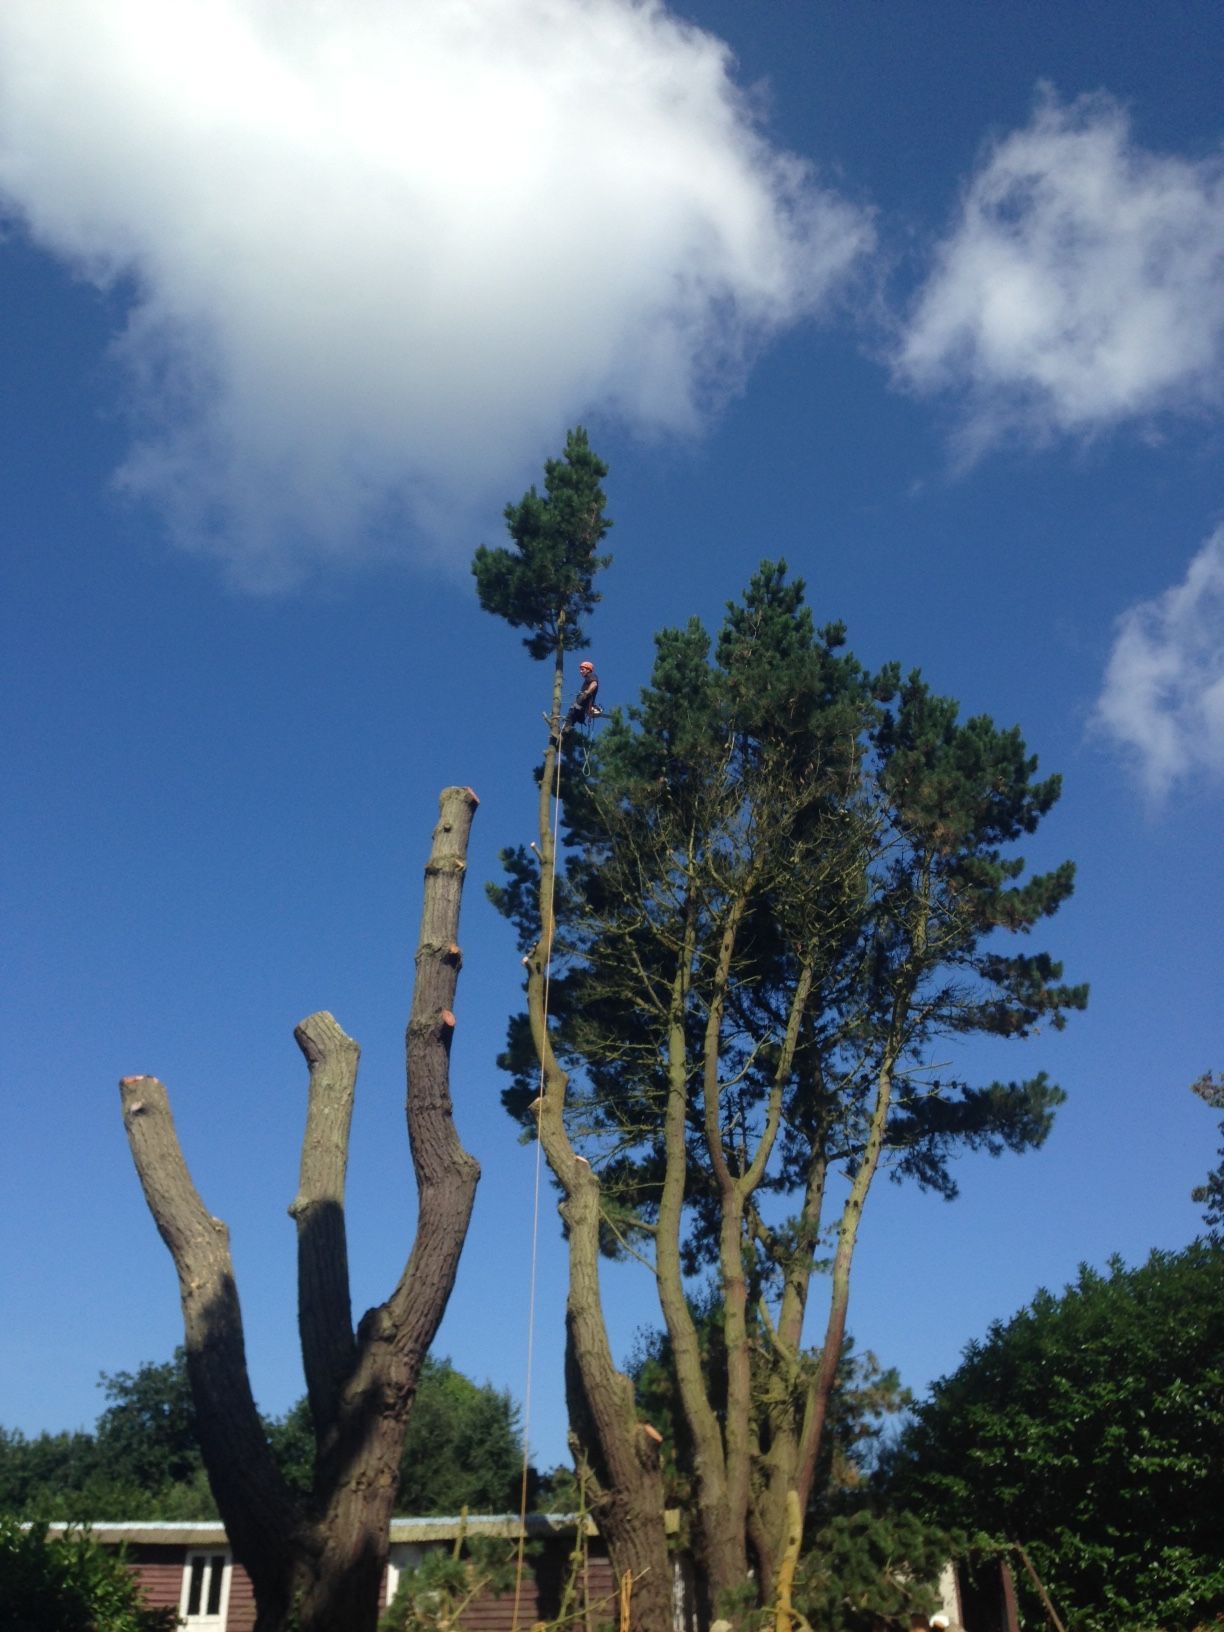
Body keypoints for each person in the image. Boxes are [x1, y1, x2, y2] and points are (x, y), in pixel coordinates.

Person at [562, 660, 600, 734]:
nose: (580, 671)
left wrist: (587, 692)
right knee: (574, 717)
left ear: (588, 670)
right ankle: (567, 733)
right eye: (580, 670)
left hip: (583, 701)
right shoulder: (587, 678)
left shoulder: (591, 675)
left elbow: (594, 684)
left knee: (572, 712)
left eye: (583, 669)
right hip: (584, 705)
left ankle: (566, 730)